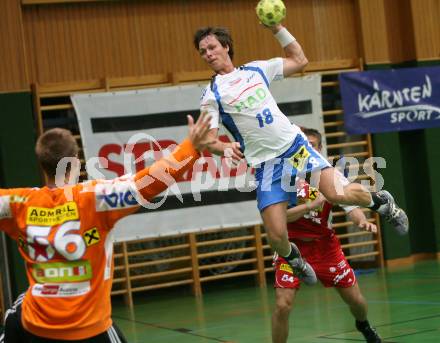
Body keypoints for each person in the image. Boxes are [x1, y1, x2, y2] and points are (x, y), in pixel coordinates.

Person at [193, 24, 408, 285]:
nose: (208, 54)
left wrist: (277, 28)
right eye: (203, 51)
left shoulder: (256, 70)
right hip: (266, 166)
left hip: (294, 149)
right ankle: (294, 258)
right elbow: (207, 140)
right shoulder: (212, 94)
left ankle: (383, 203)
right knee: (275, 234)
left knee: (336, 193)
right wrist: (224, 147)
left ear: (226, 47)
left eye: (212, 47)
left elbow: (300, 60)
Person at [0, 113, 212, 342]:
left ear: (41, 164)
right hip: (89, 329)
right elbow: (149, 181)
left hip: (36, 329)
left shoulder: (17, 204)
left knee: (16, 313)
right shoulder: (96, 199)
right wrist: (191, 147)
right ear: (76, 160)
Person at [272, 128, 382, 343]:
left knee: (356, 301)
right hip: (291, 247)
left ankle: (364, 325)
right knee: (282, 304)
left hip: (325, 247)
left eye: (313, 145)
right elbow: (281, 218)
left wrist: (361, 220)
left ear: (319, 149)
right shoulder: (284, 175)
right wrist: (310, 205)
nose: (309, 148)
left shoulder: (328, 175)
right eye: (305, 144)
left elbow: (351, 206)